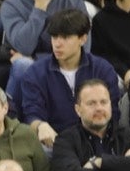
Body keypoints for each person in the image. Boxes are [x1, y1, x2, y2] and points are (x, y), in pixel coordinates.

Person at [13, 10, 121, 150]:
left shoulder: (102, 70)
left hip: (97, 139)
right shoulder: (35, 73)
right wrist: (40, 125)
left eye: (65, 37)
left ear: (82, 39)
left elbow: (113, 113)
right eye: (54, 37)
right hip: (55, 143)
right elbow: (31, 114)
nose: (57, 44)